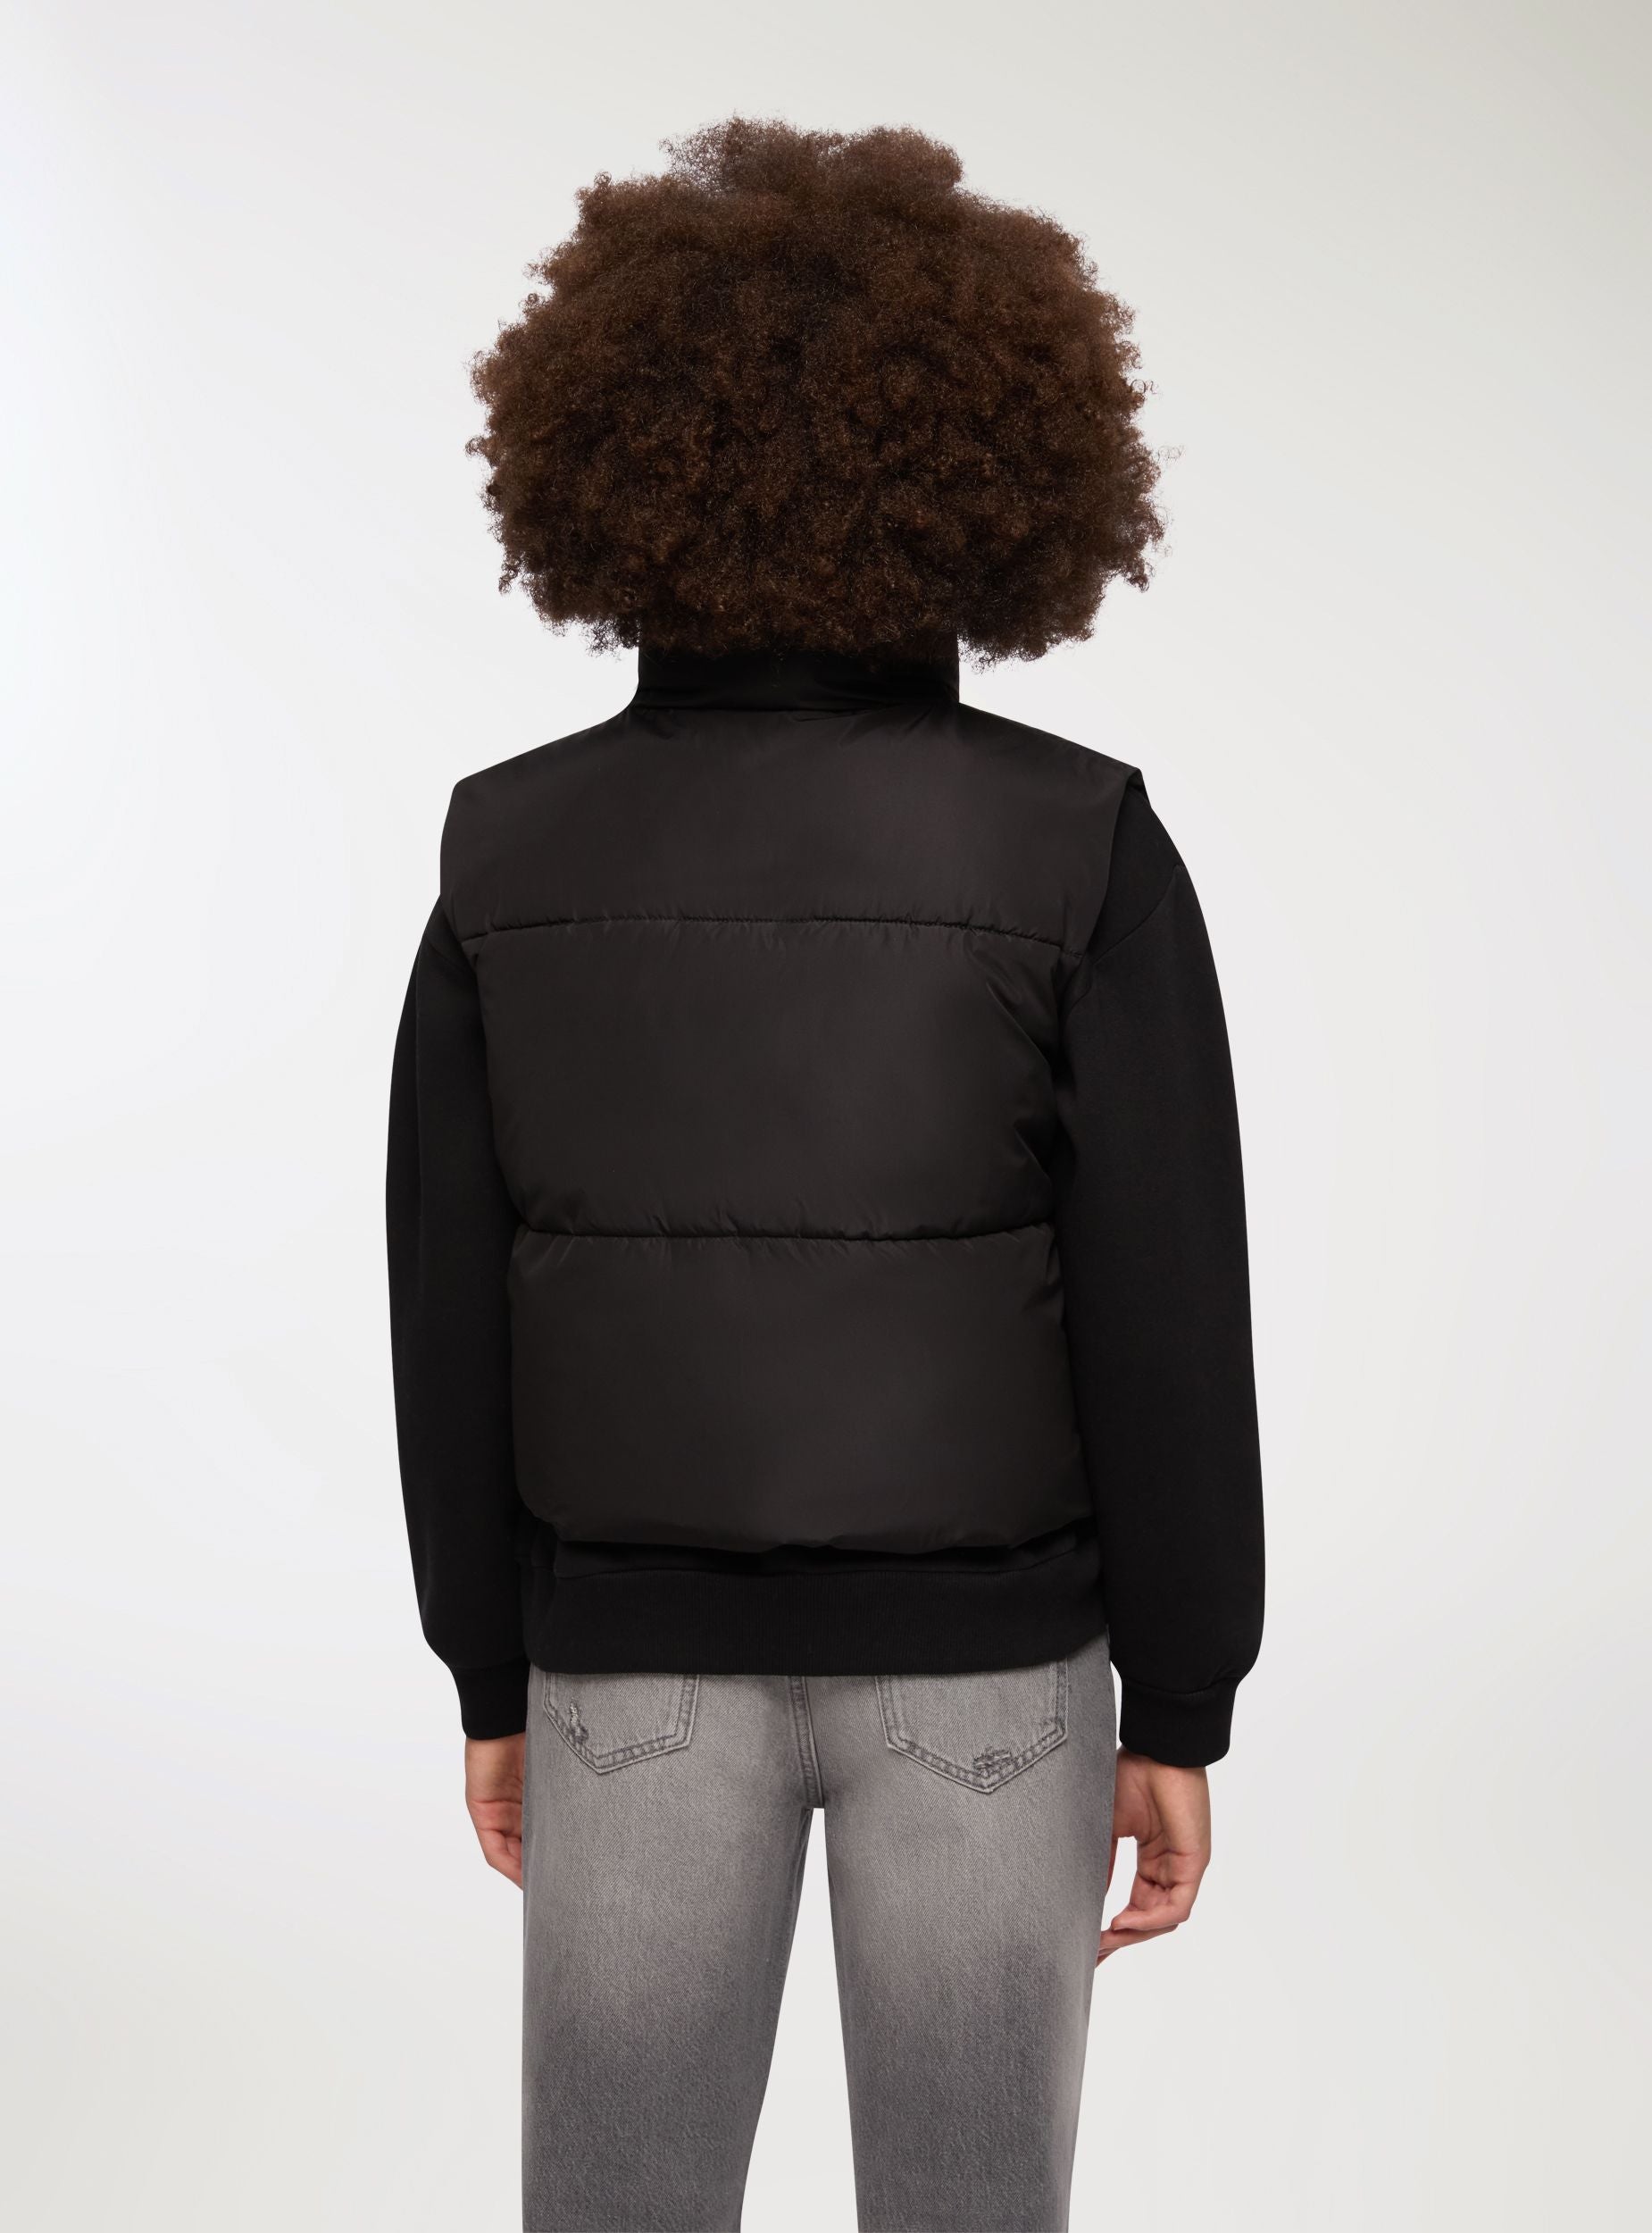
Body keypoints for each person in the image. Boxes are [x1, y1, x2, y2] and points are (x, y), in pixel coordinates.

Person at [388, 117, 1264, 2233]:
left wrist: (490, 1667)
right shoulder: (1078, 842)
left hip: (629, 1672)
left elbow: (446, 1300)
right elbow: (1167, 1297)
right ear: (990, 466)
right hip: (994, 1680)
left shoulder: (508, 848)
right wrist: (1182, 1690)